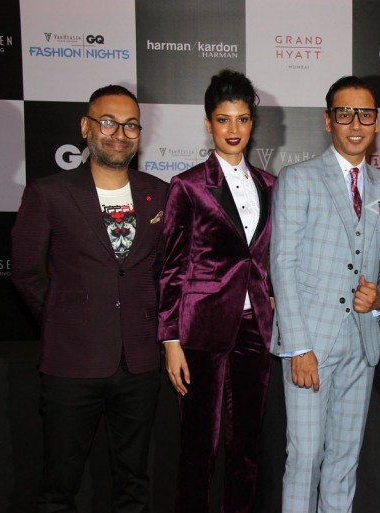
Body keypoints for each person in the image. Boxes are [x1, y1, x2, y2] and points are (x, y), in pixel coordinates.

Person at [11, 85, 167, 512]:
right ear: (86, 127)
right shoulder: (49, 192)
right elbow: (26, 273)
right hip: (70, 363)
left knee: (133, 485)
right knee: (59, 487)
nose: (120, 133)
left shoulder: (160, 193)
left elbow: (162, 271)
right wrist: (66, 322)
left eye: (131, 125)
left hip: (139, 364)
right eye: (108, 122)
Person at [157, 70, 276, 513]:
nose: (233, 129)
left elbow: (266, 259)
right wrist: (170, 340)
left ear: (252, 123)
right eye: (223, 119)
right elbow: (171, 268)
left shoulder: (270, 184)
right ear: (209, 123)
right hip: (200, 330)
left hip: (255, 329)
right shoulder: (187, 185)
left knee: (246, 445)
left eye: (242, 119)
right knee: (198, 446)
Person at [270, 75, 380, 513]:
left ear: (376, 122)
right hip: (311, 345)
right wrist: (298, 347)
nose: (355, 124)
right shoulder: (298, 178)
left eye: (365, 114)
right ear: (328, 120)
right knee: (304, 457)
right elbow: (282, 264)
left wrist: (379, 301)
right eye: (345, 113)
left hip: (362, 344)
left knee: (344, 460)